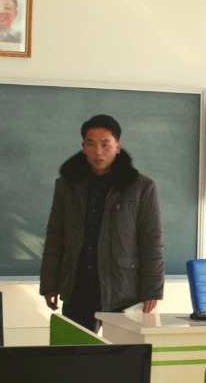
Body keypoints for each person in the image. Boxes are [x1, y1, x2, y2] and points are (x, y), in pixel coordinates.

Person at [40, 114, 164, 330]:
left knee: (122, 358)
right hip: (77, 287)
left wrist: (152, 290)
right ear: (83, 147)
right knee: (75, 357)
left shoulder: (142, 187)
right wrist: (50, 284)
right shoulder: (67, 186)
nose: (98, 151)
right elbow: (55, 236)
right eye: (91, 144)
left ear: (117, 146)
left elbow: (151, 240)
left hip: (124, 289)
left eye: (105, 144)